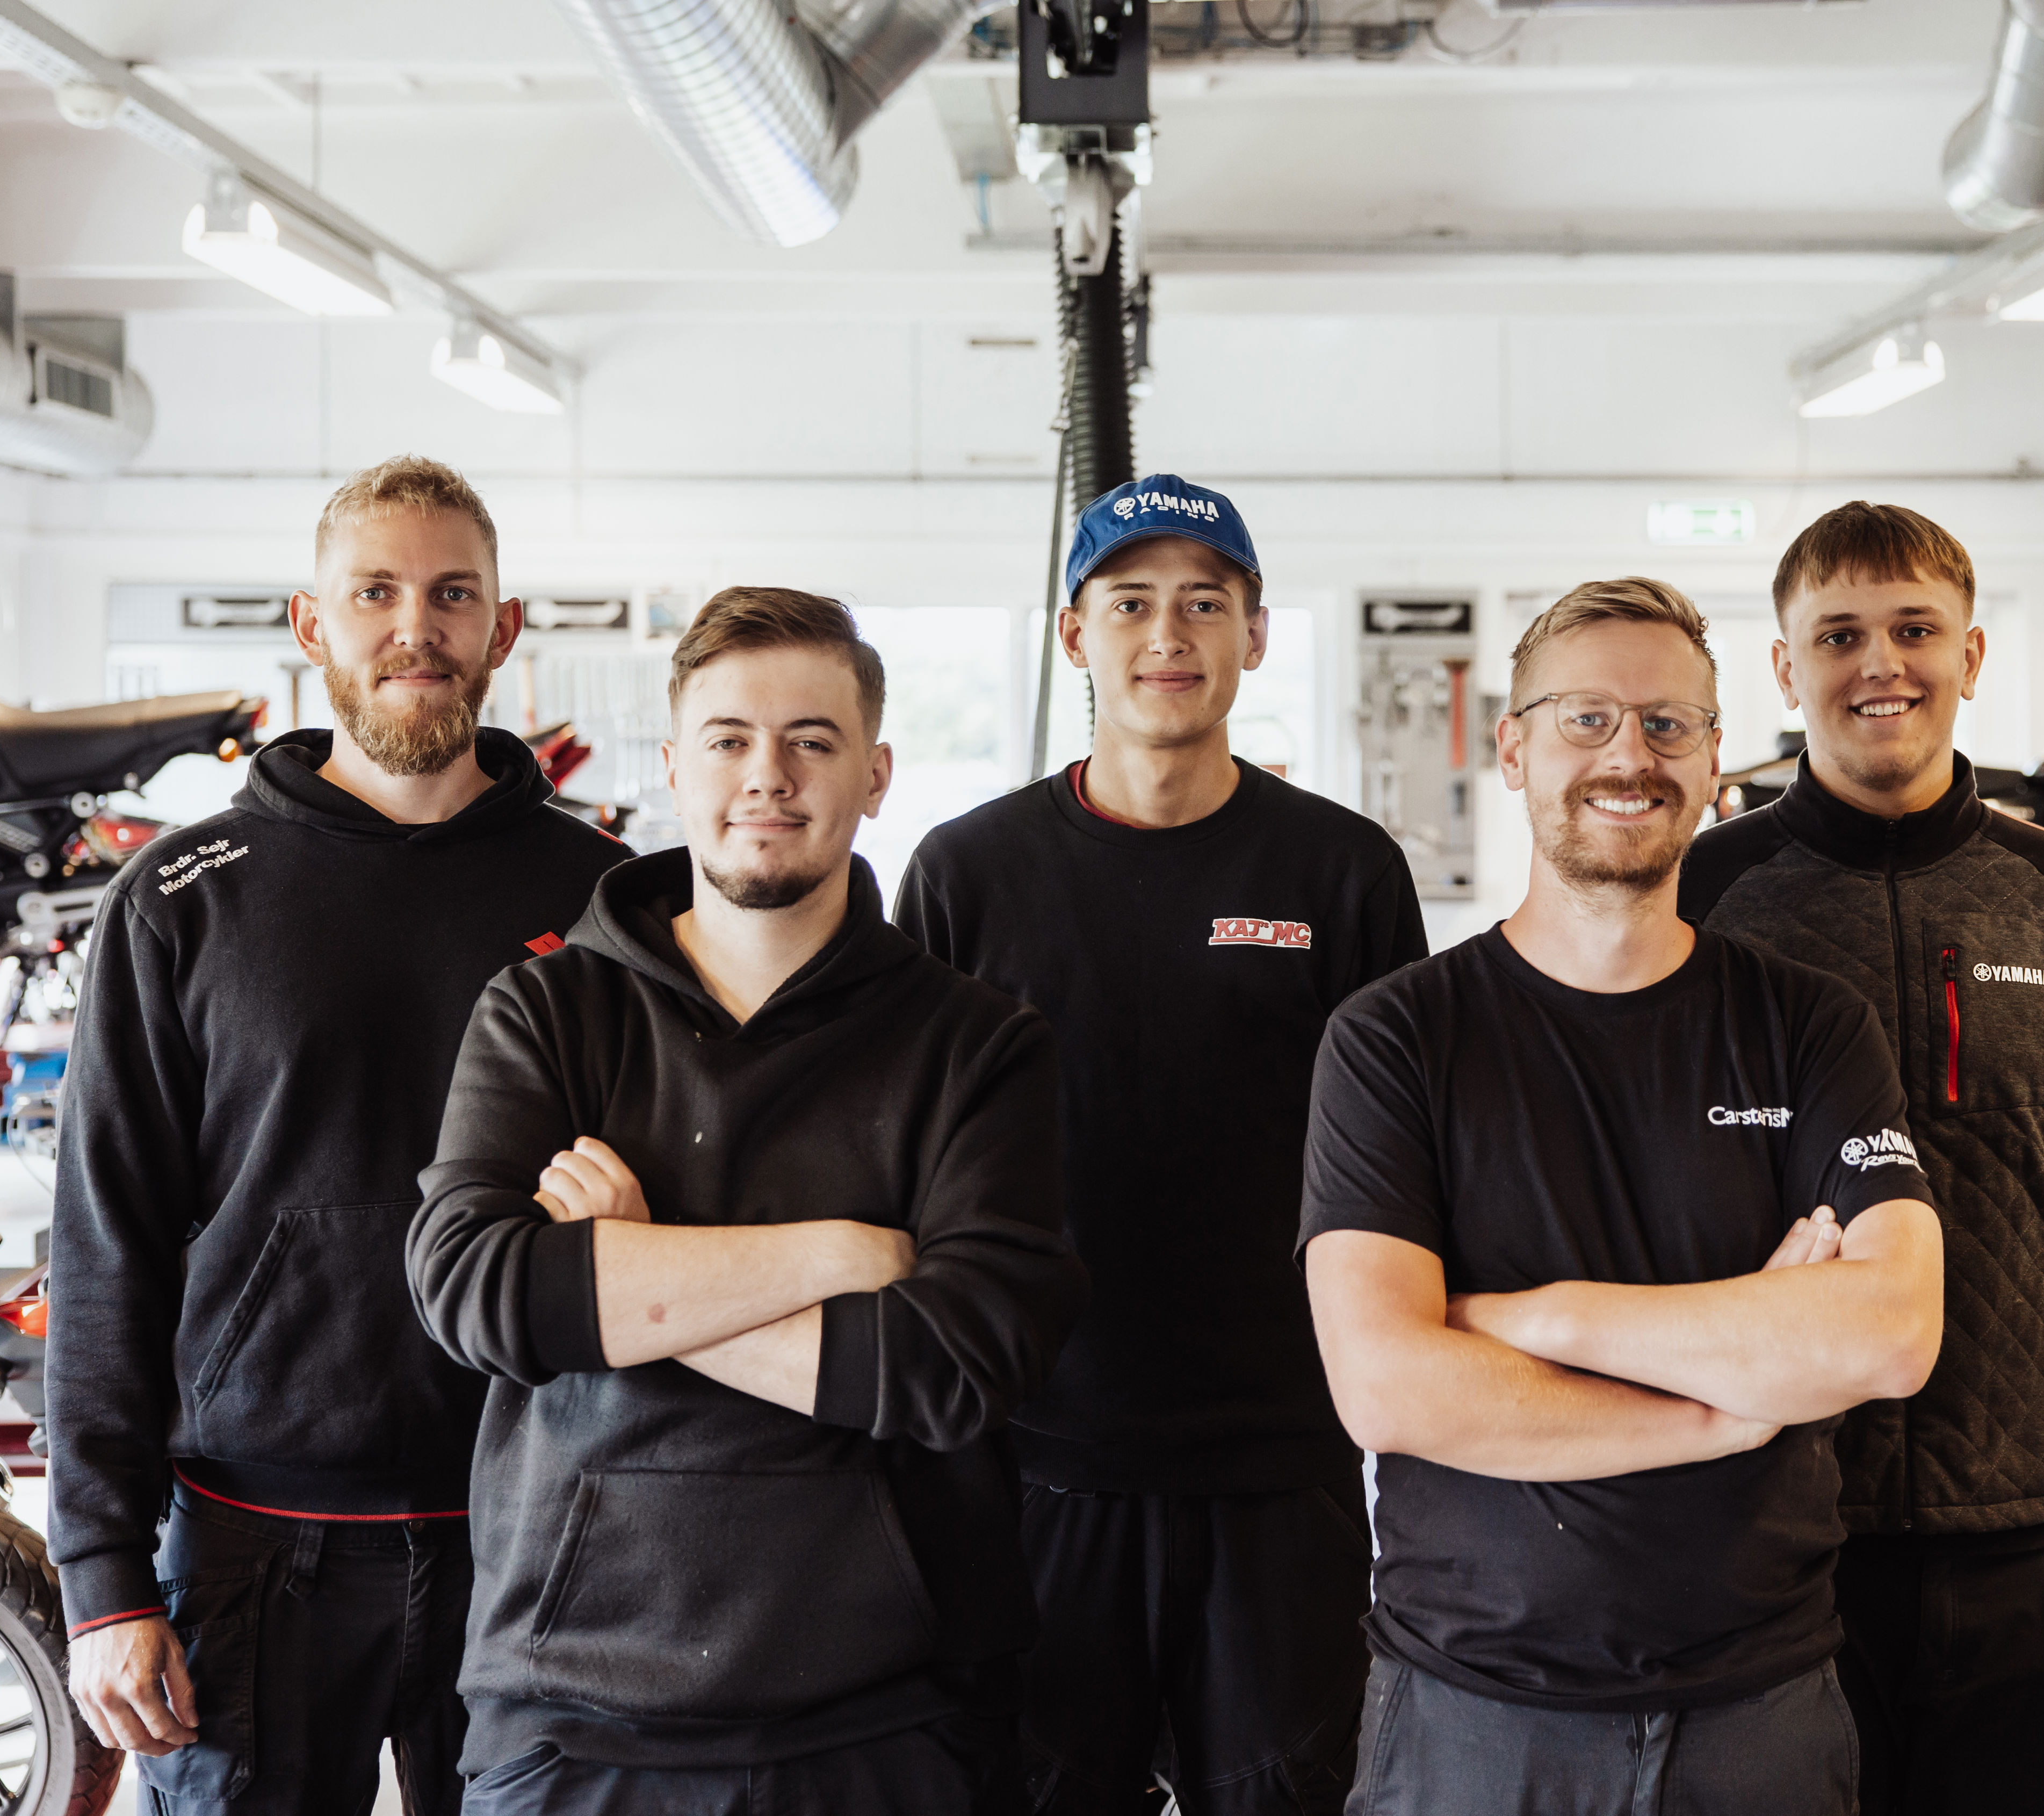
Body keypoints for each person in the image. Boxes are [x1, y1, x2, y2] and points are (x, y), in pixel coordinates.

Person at [407, 587, 1089, 1814]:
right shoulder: (547, 1011)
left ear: (875, 775)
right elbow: (475, 1291)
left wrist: (628, 1276)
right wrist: (837, 1254)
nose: (767, 775)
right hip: (572, 1715)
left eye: (810, 741)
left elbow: (957, 1364)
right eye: (728, 739)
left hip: (893, 1719)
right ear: (674, 768)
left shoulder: (976, 1046)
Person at [1300, 577, 1945, 1816]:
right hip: (1473, 1716)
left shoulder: (1808, 1025)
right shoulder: (1395, 1039)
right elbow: (1385, 1386)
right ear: (1512, 748)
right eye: (1584, 718)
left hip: (1758, 1713)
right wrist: (1720, 1410)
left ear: (1712, 761)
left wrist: (1538, 1318)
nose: (1627, 756)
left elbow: (1889, 1331)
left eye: (1666, 724)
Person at [49, 455, 627, 1813]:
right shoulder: (180, 901)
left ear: (503, 626)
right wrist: (101, 1576)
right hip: (253, 1552)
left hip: (537, 1529)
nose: (415, 628)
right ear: (312, 626)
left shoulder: (604, 897)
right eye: (375, 592)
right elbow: (104, 1243)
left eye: (451, 594)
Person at [894, 473, 1425, 1814]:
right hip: (1035, 1460)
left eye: (1204, 601)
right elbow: (902, 1165)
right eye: (1129, 603)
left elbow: (1407, 1167)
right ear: (1074, 635)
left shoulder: (1342, 872)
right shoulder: (966, 874)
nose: (1167, 634)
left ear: (1256, 633)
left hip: (1282, 1467)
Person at [1678, 502, 2044, 1816]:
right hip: (1772, 1525)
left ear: (1968, 652)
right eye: (1837, 635)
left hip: (2029, 1531)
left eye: (1912, 629)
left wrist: (2033, 1385)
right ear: (1783, 667)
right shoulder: (1700, 899)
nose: (1879, 664)